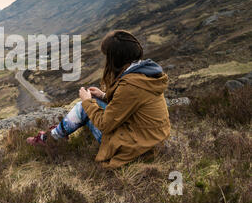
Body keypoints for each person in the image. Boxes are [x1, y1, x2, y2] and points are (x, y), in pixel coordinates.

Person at [27, 30, 170, 169]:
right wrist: (103, 96)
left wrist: (87, 101)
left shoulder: (130, 85)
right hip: (151, 138)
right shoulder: (144, 72)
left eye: (107, 56)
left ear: (115, 58)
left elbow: (105, 124)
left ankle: (49, 140)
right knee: (89, 106)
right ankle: (55, 135)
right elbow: (129, 104)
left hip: (137, 146)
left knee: (83, 108)